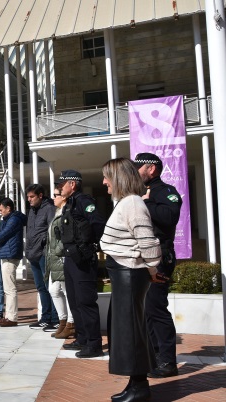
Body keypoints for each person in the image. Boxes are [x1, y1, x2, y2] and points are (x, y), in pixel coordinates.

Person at [100, 157, 163, 402]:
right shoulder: (128, 202)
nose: (104, 182)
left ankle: (139, 389)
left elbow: (147, 241)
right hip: (125, 274)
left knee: (130, 331)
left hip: (130, 273)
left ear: (118, 178)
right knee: (127, 330)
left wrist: (152, 269)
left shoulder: (133, 203)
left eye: (107, 176)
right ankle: (135, 384)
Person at [134, 152, 182, 378]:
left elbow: (169, 216)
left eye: (138, 168)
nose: (135, 172)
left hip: (160, 257)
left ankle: (167, 362)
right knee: (146, 311)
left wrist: (146, 204)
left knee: (156, 308)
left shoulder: (166, 192)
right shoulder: (141, 193)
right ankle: (154, 357)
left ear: (151, 169)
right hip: (142, 257)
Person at [57, 169, 106, 358]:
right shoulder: (69, 204)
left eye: (62, 184)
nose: (60, 187)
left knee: (86, 302)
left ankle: (94, 344)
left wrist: (93, 246)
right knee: (75, 301)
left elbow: (98, 224)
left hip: (83, 258)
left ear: (73, 184)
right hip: (71, 257)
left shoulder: (84, 201)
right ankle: (82, 338)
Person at [25, 184, 59, 330]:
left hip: (44, 253)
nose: (29, 200)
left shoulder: (49, 208)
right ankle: (45, 317)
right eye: (28, 197)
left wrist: (42, 242)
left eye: (32, 197)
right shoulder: (31, 211)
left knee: (49, 287)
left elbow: (53, 229)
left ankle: (55, 319)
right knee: (40, 287)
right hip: (33, 254)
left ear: (40, 196)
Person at [46, 189, 75, 339]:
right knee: (54, 290)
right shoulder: (57, 212)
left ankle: (71, 323)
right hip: (55, 258)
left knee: (66, 290)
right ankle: (63, 321)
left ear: (63, 197)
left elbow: (67, 235)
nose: (53, 197)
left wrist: (58, 250)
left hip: (62, 257)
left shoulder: (66, 212)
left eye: (56, 195)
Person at [0, 198, 27, 327]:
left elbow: (1, 236)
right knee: (8, 288)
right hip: (7, 253)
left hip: (10, 255)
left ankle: (12, 318)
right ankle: (8, 316)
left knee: (10, 288)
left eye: (1, 210)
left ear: (8, 208)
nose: (0, 212)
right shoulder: (9, 219)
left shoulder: (13, 220)